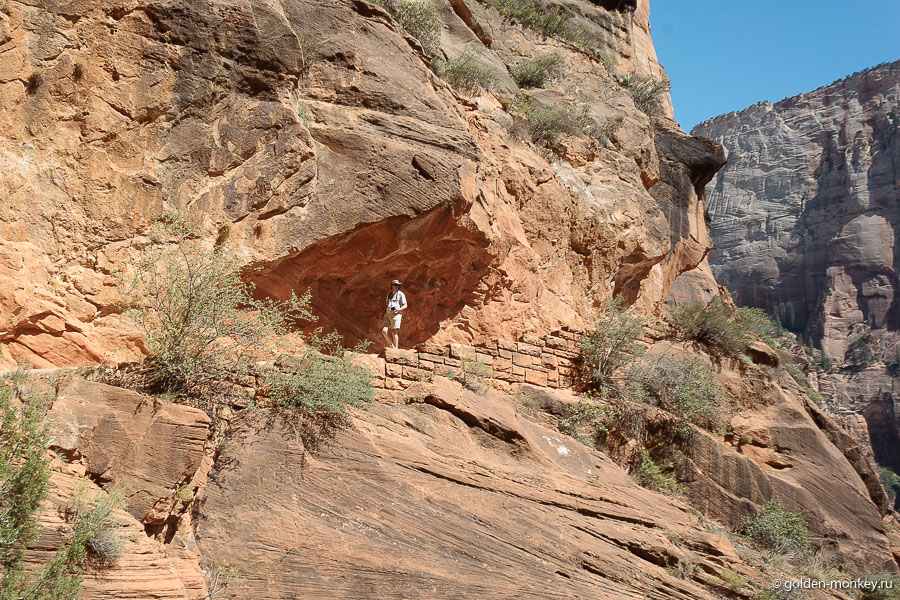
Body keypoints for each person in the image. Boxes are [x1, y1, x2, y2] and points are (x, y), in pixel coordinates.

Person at [381, 279, 407, 349]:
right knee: (384, 331)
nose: (396, 286)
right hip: (388, 314)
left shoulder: (401, 294)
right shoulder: (389, 294)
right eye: (395, 285)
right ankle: (390, 344)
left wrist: (399, 309)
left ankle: (396, 348)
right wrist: (383, 313)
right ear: (392, 286)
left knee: (394, 332)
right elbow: (386, 304)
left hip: (396, 314)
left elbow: (405, 305)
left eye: (397, 285)